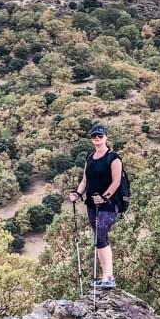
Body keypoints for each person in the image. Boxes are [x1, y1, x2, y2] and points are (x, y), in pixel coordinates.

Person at [68, 123, 122, 289]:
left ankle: (108, 277)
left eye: (100, 136)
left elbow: (117, 182)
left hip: (109, 205)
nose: (97, 138)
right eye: (94, 136)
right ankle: (106, 276)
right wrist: (77, 194)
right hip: (92, 205)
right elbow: (85, 180)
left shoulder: (113, 158)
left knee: (100, 236)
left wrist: (104, 198)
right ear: (91, 139)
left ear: (106, 137)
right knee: (100, 238)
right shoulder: (90, 158)